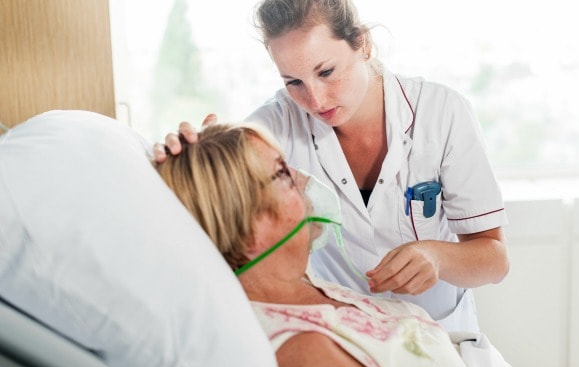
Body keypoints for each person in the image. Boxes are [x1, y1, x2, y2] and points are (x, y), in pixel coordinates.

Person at [153, 122, 579, 367]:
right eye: (283, 173)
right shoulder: (305, 354)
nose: (304, 178)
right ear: (247, 225)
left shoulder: (298, 284)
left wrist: (204, 153)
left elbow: (493, 255)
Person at [155, 0, 509, 332]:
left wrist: (437, 257)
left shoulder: (442, 112)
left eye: (326, 72)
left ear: (363, 44)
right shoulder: (276, 125)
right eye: (294, 82)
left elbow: (495, 260)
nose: (315, 100)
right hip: (346, 336)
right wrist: (181, 156)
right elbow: (212, 177)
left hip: (443, 332)